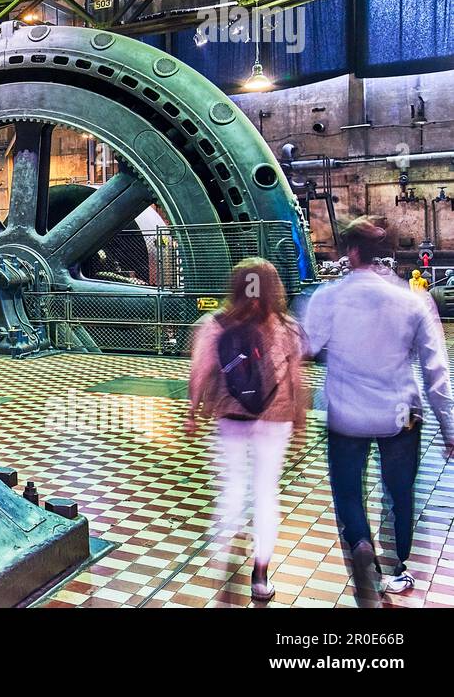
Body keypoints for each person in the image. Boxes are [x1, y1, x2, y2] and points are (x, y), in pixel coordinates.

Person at [304, 217, 454, 600]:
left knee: (349, 491)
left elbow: (304, 347)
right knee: (400, 492)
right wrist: (450, 429)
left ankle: (360, 543)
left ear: (351, 252)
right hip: (401, 413)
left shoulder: (329, 297)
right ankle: (399, 568)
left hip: (347, 416)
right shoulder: (413, 299)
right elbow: (436, 371)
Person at [188, 257, 307, 602]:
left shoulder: (216, 324)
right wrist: (298, 418)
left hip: (231, 418)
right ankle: (260, 576)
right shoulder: (286, 326)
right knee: (266, 492)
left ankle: (223, 557)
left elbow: (200, 370)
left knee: (233, 487)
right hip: (276, 418)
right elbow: (296, 378)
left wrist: (192, 412)